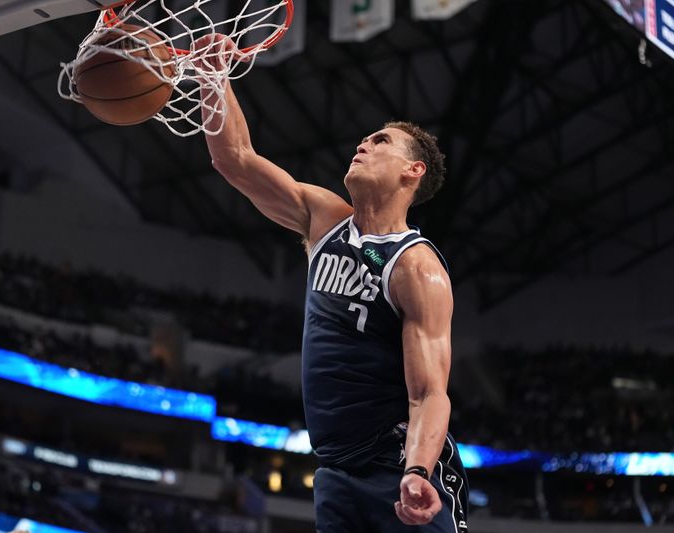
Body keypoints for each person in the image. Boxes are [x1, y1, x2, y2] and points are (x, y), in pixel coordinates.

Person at [195, 36, 469, 532]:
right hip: (335, 470)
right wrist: (213, 76)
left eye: (381, 141)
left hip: (397, 466)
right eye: (365, 138)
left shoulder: (416, 266)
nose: (363, 143)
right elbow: (233, 158)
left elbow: (430, 393)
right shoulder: (324, 220)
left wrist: (417, 470)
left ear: (414, 170)